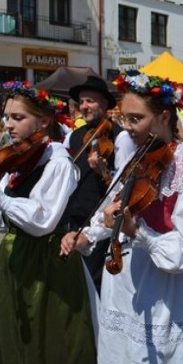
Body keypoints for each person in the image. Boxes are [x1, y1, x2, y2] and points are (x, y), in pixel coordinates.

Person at [60, 71, 183, 364]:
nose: (127, 128)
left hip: (167, 286)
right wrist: (88, 235)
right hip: (127, 279)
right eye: (125, 118)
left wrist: (138, 232)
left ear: (163, 117)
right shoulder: (139, 155)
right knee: (124, 358)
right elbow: (112, 207)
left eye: (136, 119)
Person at [0, 81, 96, 364]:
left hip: (48, 263)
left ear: (43, 121)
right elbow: (7, 211)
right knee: (13, 338)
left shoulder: (58, 162)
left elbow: (40, 220)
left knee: (49, 342)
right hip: (15, 258)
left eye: (17, 118)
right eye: (7, 117)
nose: (8, 125)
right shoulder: (19, 158)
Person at [64, 75, 135, 292]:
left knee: (96, 282)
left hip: (100, 221)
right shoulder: (73, 136)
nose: (84, 106)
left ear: (104, 104)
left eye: (90, 101)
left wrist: (104, 171)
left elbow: (125, 180)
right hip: (75, 216)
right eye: (82, 102)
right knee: (77, 280)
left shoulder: (120, 136)